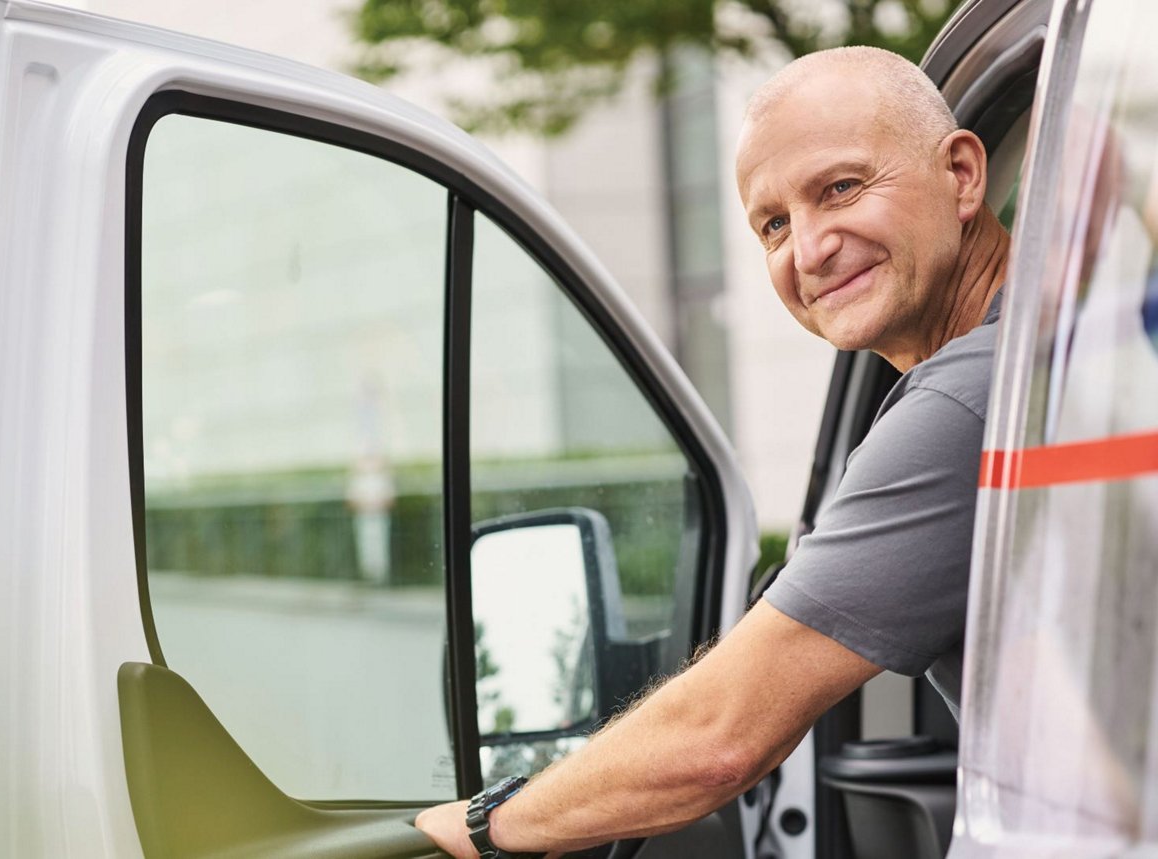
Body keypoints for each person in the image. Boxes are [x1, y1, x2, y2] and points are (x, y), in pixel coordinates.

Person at [416, 45, 1011, 858]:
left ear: (963, 175)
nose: (808, 250)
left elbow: (719, 737)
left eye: (840, 188)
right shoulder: (1040, 360)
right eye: (774, 224)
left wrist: (481, 825)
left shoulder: (971, 397)